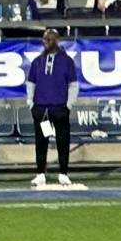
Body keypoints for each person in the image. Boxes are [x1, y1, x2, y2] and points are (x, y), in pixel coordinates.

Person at [26, 26, 81, 189]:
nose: (46, 43)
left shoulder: (67, 61)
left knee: (63, 141)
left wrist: (69, 105)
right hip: (42, 109)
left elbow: (73, 85)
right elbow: (31, 83)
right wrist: (31, 103)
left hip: (59, 108)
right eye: (44, 40)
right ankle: (40, 173)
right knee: (41, 141)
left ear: (57, 41)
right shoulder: (37, 61)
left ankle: (63, 173)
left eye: (49, 40)